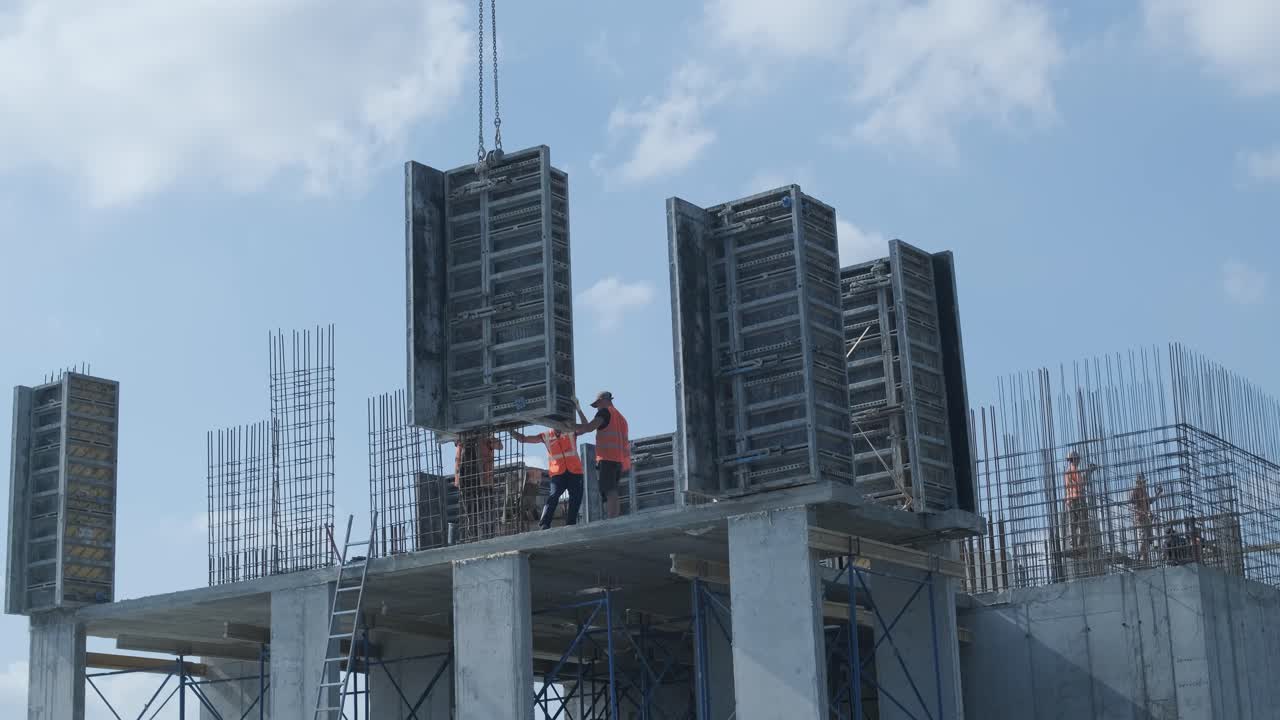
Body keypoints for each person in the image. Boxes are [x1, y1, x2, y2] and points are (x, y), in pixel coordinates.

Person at [510, 425, 585, 530]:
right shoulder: (546, 436)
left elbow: (586, 428)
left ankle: (571, 524)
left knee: (575, 499)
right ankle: (544, 524)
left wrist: (579, 411)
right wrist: (511, 431)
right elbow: (523, 439)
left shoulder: (570, 431)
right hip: (558, 473)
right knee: (553, 496)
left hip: (575, 471)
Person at [571, 391, 630, 519]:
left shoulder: (604, 412)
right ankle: (612, 517)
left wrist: (570, 426)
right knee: (610, 490)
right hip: (618, 460)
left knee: (610, 490)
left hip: (608, 458)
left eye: (597, 404)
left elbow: (589, 427)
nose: (597, 407)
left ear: (603, 400)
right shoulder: (621, 418)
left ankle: (612, 518)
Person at [454, 433, 502, 540]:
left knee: (486, 512)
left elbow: (500, 446)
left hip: (483, 483)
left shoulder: (485, 440)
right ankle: (474, 538)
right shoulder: (461, 444)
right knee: (472, 514)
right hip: (467, 483)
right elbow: (458, 464)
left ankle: (488, 537)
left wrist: (489, 439)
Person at [1064, 450, 1096, 550]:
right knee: (1083, 522)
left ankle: (1074, 545)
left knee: (1073, 524)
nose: (1079, 461)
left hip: (1070, 500)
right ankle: (1081, 544)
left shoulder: (1068, 471)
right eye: (1078, 459)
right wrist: (1088, 472)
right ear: (1075, 459)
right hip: (1078, 499)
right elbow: (1081, 484)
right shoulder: (1074, 470)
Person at [1130, 473, 1164, 564]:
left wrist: (1158, 494)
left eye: (1144, 481)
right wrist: (1142, 513)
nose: (1144, 483)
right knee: (1144, 538)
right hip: (1141, 519)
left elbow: (1150, 502)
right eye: (1143, 482)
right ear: (1138, 482)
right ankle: (1139, 558)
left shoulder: (1144, 491)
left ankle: (1145, 560)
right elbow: (1133, 504)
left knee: (1149, 539)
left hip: (1147, 518)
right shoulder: (1136, 491)